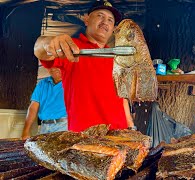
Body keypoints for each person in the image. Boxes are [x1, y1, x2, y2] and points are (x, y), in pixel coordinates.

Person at [33, 1, 134, 132]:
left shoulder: (117, 57)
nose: (105, 22)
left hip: (119, 133)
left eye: (110, 20)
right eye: (100, 15)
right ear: (86, 20)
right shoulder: (72, 47)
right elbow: (41, 51)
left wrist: (130, 125)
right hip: (84, 136)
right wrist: (48, 43)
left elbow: (122, 96)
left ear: (114, 29)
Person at [21, 68, 67, 140]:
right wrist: (25, 131)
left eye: (57, 66)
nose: (53, 68)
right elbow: (33, 107)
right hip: (44, 126)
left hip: (64, 126)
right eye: (50, 66)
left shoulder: (72, 82)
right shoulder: (42, 84)